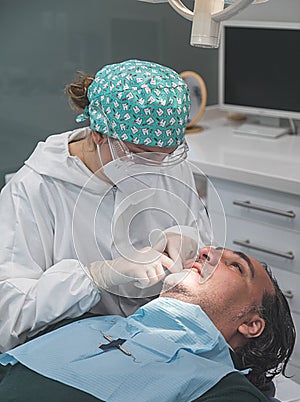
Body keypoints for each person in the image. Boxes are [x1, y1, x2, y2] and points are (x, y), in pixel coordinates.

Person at [0, 59, 211, 352]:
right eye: (142, 155)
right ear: (98, 135)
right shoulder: (34, 189)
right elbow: (9, 316)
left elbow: (204, 248)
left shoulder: (168, 166)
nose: (156, 167)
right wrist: (96, 277)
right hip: (75, 353)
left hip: (161, 344)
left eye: (167, 155)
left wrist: (189, 241)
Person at [0, 246, 296, 402]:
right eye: (212, 250)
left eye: (235, 266)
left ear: (251, 324)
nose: (205, 252)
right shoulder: (88, 325)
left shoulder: (230, 398)